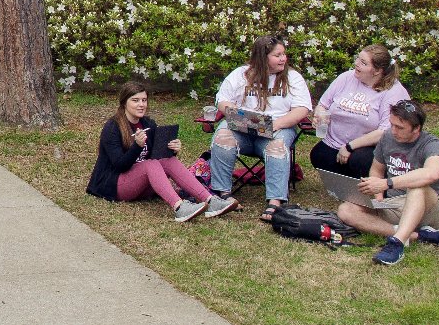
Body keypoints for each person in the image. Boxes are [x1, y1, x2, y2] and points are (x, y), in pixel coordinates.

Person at [87, 82, 239, 222]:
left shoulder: (148, 123)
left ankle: (210, 200)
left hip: (143, 184)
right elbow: (119, 165)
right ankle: (179, 207)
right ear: (124, 103)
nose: (141, 105)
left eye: (144, 100)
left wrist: (172, 150)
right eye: (135, 100)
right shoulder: (112, 127)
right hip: (115, 185)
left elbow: (157, 156)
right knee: (150, 165)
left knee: (167, 160)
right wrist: (137, 146)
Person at [207, 35, 313, 221]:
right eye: (277, 55)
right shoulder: (241, 74)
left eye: (283, 54)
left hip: (278, 128)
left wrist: (273, 126)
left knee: (277, 147)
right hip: (243, 129)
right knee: (223, 136)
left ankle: (275, 201)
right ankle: (222, 194)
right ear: (263, 58)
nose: (283, 59)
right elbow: (222, 100)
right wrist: (236, 115)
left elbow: (302, 109)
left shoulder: (293, 78)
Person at [335, 100, 439, 265]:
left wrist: (386, 184)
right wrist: (376, 191)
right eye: (392, 125)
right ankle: (420, 236)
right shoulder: (388, 138)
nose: (394, 131)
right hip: (394, 204)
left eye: (400, 127)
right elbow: (377, 169)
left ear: (416, 128)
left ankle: (397, 244)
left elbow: (431, 174)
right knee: (345, 209)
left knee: (417, 186)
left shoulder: (432, 144)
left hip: (431, 208)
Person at [309, 44, 411, 178]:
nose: (356, 64)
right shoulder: (346, 77)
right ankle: (349, 183)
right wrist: (319, 115)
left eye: (363, 63)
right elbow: (323, 104)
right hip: (335, 142)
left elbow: (385, 131)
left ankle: (375, 180)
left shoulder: (393, 91)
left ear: (377, 71)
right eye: (358, 59)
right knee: (319, 155)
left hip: (369, 147)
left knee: (359, 161)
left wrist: (350, 146)